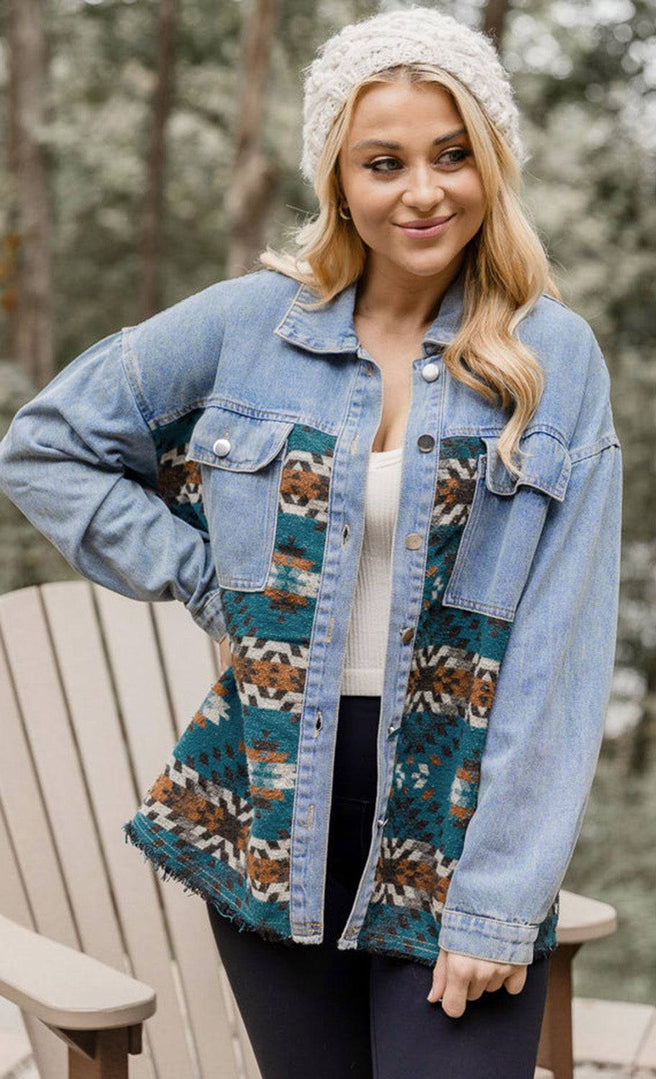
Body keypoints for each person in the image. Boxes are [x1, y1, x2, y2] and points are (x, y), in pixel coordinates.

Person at [0, 6, 623, 1077]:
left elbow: (556, 659)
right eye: (384, 162)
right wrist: (213, 579)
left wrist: (495, 899)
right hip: (270, 799)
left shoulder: (549, 356)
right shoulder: (252, 323)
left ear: (493, 163)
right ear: (338, 176)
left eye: (453, 154)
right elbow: (44, 445)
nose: (423, 190)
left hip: (459, 812)